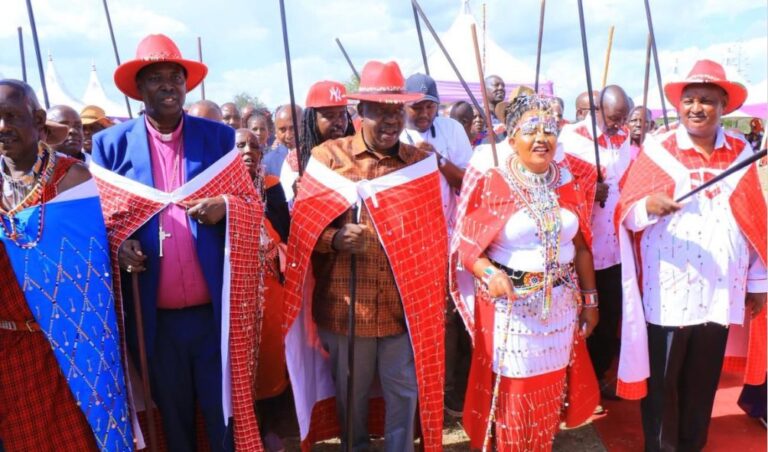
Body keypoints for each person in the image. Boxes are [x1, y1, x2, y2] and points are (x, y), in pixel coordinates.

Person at [91, 34, 263, 451]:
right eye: (156, 78)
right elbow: (99, 221)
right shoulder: (110, 145)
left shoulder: (218, 138)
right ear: (139, 88)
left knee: (221, 414)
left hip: (214, 313)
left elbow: (250, 204)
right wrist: (119, 247)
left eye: (176, 77)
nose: (168, 85)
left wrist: (225, 205)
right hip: (154, 315)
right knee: (173, 416)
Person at [283, 60, 447, 452]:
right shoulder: (328, 158)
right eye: (380, 112)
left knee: (403, 392)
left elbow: (431, 237)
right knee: (351, 396)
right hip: (347, 308)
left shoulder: (419, 164)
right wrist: (335, 238)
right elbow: (303, 231)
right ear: (360, 112)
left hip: (401, 306)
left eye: (397, 112)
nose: (391, 121)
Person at [614, 59, 766, 451]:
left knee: (702, 381)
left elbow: (755, 220)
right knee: (662, 382)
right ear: (679, 105)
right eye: (689, 100)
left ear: (723, 106)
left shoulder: (740, 151)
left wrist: (757, 282)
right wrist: (648, 205)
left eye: (707, 100)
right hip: (668, 289)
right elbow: (626, 212)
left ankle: (693, 444)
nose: (696, 108)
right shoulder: (659, 149)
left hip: (720, 288)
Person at [450, 93, 599, 450]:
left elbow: (581, 247)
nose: (541, 138)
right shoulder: (494, 181)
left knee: (549, 391)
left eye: (549, 129)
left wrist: (591, 302)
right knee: (514, 398)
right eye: (531, 129)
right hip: (512, 313)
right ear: (512, 136)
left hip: (561, 308)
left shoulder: (567, 181)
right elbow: (468, 248)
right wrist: (491, 275)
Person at [0, 79, 133, 451]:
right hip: (12, 350)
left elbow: (111, 235)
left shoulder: (76, 180)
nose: (2, 127)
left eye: (11, 116)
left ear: (38, 120)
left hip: (77, 346)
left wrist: (121, 247)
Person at [401, 73, 473, 416]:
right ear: (404, 106)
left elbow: (469, 183)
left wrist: (438, 160)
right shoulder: (393, 133)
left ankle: (449, 390)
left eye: (430, 106)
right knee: (414, 320)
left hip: (450, 239)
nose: (424, 113)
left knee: (452, 316)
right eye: (417, 107)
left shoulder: (452, 130)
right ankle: (418, 391)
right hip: (409, 245)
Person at [559, 85, 631, 402]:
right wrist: (589, 189)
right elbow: (558, 184)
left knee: (609, 315)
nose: (619, 124)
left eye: (623, 118)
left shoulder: (623, 137)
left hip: (614, 246)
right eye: (614, 118)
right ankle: (571, 382)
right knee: (579, 316)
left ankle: (599, 377)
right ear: (598, 110)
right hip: (581, 247)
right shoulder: (572, 138)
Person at [234, 128, 290, 451]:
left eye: (254, 146)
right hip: (235, 289)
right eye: (240, 145)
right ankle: (246, 428)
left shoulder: (271, 185)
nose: (247, 151)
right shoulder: (219, 187)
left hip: (270, 285)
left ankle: (270, 426)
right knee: (240, 360)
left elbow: (286, 232)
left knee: (271, 356)